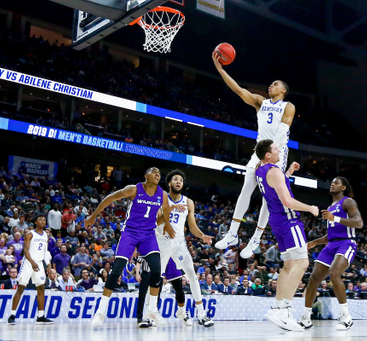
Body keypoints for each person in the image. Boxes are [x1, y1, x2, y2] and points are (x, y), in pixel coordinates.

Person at [212, 54, 296, 260]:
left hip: (277, 153)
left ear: (283, 90)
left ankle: (256, 239)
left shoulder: (288, 106)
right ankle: (232, 233)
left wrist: (270, 156)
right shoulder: (260, 102)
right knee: (246, 189)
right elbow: (238, 90)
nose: (271, 86)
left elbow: (282, 133)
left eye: (275, 84)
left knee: (268, 199)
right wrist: (221, 69)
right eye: (270, 84)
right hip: (258, 152)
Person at [86, 167, 179, 328]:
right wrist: (93, 216)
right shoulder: (134, 189)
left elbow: (167, 210)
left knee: (157, 270)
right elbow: (110, 198)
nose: (158, 174)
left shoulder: (162, 194)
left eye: (159, 172)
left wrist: (167, 224)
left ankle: (152, 310)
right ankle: (100, 312)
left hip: (148, 235)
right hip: (130, 232)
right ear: (146, 176)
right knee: (116, 271)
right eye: (154, 171)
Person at [254, 139, 319, 331]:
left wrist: (288, 172)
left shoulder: (260, 169)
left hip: (276, 222)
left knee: (288, 265)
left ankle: (276, 307)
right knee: (302, 263)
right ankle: (286, 311)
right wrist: (311, 208)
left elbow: (275, 183)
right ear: (268, 154)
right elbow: (287, 201)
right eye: (275, 149)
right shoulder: (274, 171)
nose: (279, 150)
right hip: (289, 220)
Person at [301, 177, 363, 331]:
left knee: (335, 274)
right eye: (331, 182)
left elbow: (359, 223)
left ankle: (346, 317)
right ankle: (306, 319)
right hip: (331, 245)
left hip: (346, 243)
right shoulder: (330, 207)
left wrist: (334, 217)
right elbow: (332, 234)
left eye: (336, 182)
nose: (332, 184)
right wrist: (315, 242)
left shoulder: (348, 202)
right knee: (313, 279)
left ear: (343, 188)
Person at [155, 169, 214, 327]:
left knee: (192, 275)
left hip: (179, 243)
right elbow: (155, 222)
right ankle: (151, 313)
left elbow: (192, 226)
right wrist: (168, 214)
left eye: (180, 180)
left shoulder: (188, 202)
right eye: (175, 179)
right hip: (162, 241)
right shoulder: (162, 198)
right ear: (169, 183)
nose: (178, 181)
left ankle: (201, 313)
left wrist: (202, 236)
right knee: (156, 278)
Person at [8, 215, 53, 325]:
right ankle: (12, 314)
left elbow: (45, 252)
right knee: (21, 287)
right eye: (40, 219)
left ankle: (40, 316)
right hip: (28, 262)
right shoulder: (30, 234)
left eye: (44, 220)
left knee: (41, 288)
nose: (43, 221)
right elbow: (26, 250)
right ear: (36, 222)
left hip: (39, 263)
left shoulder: (46, 236)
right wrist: (32, 262)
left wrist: (48, 264)